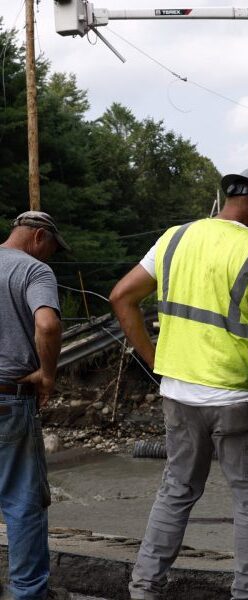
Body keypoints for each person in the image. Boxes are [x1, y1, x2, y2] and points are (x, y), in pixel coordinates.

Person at [110, 166, 248, 600]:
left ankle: (144, 589)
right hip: (238, 400)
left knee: (176, 491)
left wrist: (158, 362)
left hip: (179, 394)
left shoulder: (174, 238)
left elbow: (121, 297)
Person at [0, 211, 69, 600]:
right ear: (39, 236)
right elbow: (47, 325)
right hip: (9, 399)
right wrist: (47, 373)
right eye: (52, 249)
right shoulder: (33, 272)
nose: (51, 258)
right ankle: (29, 593)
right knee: (22, 501)